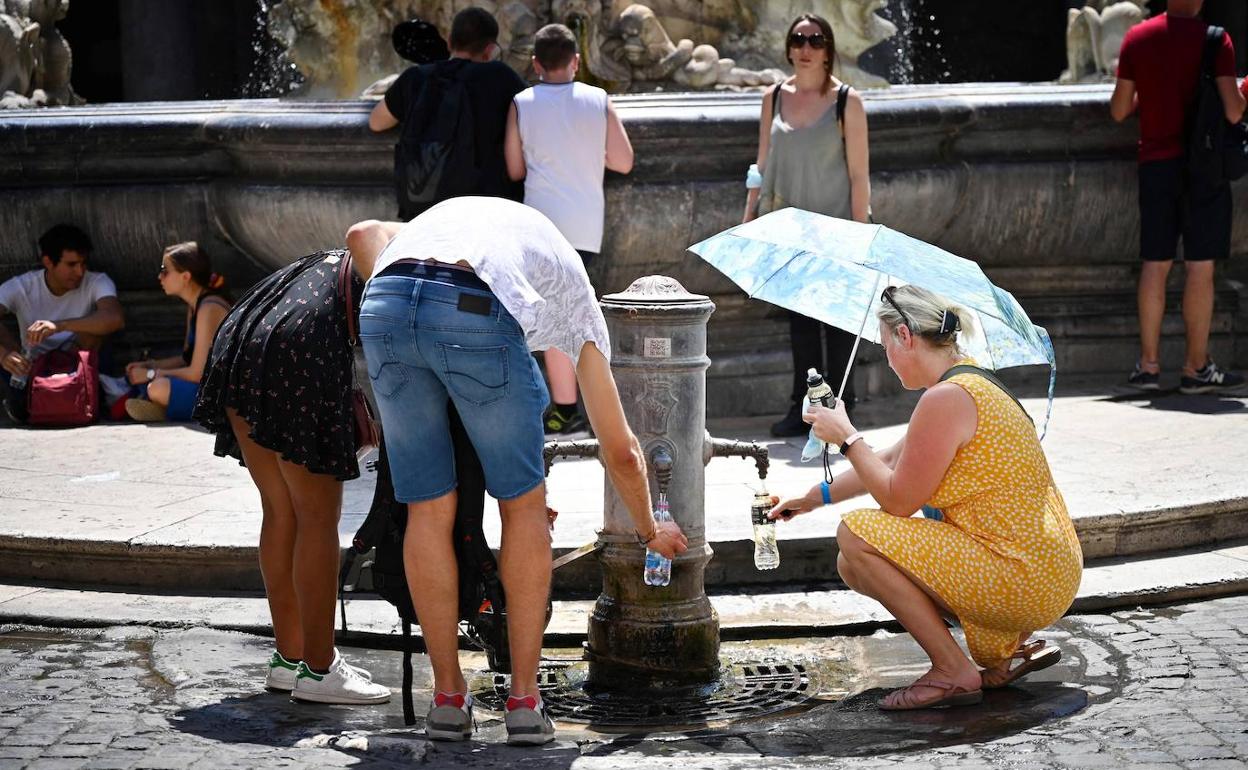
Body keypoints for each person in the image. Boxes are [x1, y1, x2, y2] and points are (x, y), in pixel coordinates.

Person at [345, 197, 688, 746]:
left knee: (427, 508)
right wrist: (651, 530)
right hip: (472, 305)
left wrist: (418, 321)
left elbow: (362, 232)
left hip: (383, 305)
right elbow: (620, 448)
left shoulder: (445, 222)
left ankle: (449, 700)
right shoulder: (574, 287)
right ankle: (525, 702)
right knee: (523, 506)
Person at [769, 285, 1083, 710]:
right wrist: (811, 497)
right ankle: (1005, 652)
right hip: (1045, 570)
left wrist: (846, 437)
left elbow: (897, 500)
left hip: (1023, 574)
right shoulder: (968, 380)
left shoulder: (947, 398)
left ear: (905, 337)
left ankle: (952, 670)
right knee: (853, 563)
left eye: (884, 346)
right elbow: (890, 459)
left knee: (856, 535)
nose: (886, 357)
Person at [194, 250, 390, 706]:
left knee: (280, 510)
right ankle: (320, 670)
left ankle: (290, 658)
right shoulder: (420, 258)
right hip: (299, 351)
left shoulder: (336, 255)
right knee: (318, 520)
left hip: (242, 340)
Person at [503, 22, 635, 435]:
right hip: (584, 225)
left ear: (536, 63)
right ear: (576, 61)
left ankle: (564, 406)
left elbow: (514, 169)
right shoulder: (598, 99)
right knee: (581, 314)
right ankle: (596, 407)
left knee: (550, 317)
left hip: (540, 226)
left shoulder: (522, 102)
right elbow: (624, 161)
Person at [742, 14, 871, 437]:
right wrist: (748, 219)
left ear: (829, 49)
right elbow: (760, 166)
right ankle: (804, 410)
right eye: (798, 40)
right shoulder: (773, 97)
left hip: (834, 230)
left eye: (815, 40)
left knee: (835, 326)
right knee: (799, 327)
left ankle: (841, 410)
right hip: (786, 229)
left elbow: (859, 176)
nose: (805, 48)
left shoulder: (847, 102)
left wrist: (860, 236)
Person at [1111, 0, 1246, 394]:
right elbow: (1234, 113)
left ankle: (1149, 367)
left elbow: (1120, 110)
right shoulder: (1216, 41)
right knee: (1200, 268)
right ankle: (1195, 367)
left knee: (1156, 264)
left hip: (1156, 166)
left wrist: (1152, 96)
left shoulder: (1138, 37)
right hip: (1204, 169)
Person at [369, 6, 527, 219]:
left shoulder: (415, 77)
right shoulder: (499, 76)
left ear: (450, 42)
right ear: (490, 50)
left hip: (422, 207)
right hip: (482, 206)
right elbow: (535, 113)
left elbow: (376, 122)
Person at [0, 224, 124, 424]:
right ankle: (21, 401)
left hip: (78, 367)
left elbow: (115, 318)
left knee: (97, 330)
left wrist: (59, 326)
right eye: (71, 264)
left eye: (83, 264)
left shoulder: (97, 281)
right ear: (48, 262)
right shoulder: (23, 286)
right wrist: (4, 354)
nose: (79, 272)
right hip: (34, 369)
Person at [119, 242, 231, 422]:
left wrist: (151, 374)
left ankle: (164, 407)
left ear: (185, 276)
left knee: (157, 388)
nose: (160, 277)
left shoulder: (209, 307)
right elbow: (186, 358)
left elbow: (197, 373)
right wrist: (150, 365)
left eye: (165, 271)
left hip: (222, 396)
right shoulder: (195, 306)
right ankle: (164, 406)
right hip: (207, 387)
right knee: (153, 385)